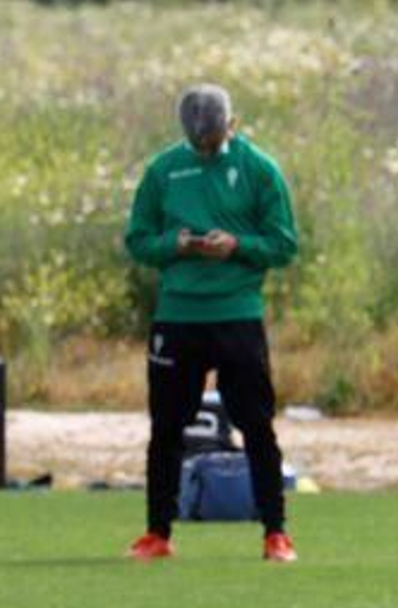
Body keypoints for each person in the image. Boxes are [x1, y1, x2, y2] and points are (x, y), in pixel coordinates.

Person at [124, 84, 299, 562]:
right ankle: (157, 533)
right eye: (198, 143)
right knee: (166, 427)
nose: (207, 148)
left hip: (237, 315)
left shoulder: (259, 169)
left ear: (232, 125)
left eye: (215, 140)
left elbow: (284, 244)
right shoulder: (162, 171)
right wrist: (173, 245)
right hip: (178, 315)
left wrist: (237, 246)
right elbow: (138, 240)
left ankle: (275, 534)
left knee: (256, 425)